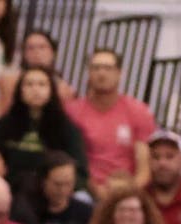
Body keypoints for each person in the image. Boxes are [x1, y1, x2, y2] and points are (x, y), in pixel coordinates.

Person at [65, 48, 156, 198]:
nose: (102, 73)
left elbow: (144, 170)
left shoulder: (138, 111)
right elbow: (73, 160)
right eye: (96, 68)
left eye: (108, 68)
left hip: (128, 190)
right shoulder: (72, 111)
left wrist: (125, 192)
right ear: (89, 73)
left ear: (120, 73)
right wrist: (96, 190)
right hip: (85, 190)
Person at [0, 66, 88, 197]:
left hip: (52, 193)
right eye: (29, 84)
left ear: (51, 91)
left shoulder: (65, 127)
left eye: (42, 84)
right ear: (20, 91)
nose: (35, 89)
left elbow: (80, 171)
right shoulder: (5, 124)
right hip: (8, 189)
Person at [0, 29, 75, 115]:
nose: (36, 52)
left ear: (53, 52)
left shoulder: (64, 90)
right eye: (30, 48)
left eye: (42, 47)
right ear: (24, 54)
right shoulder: (8, 82)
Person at [27, 150, 92, 224]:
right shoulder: (27, 210)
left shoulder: (85, 213)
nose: (63, 190)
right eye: (57, 184)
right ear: (43, 181)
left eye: (68, 184)